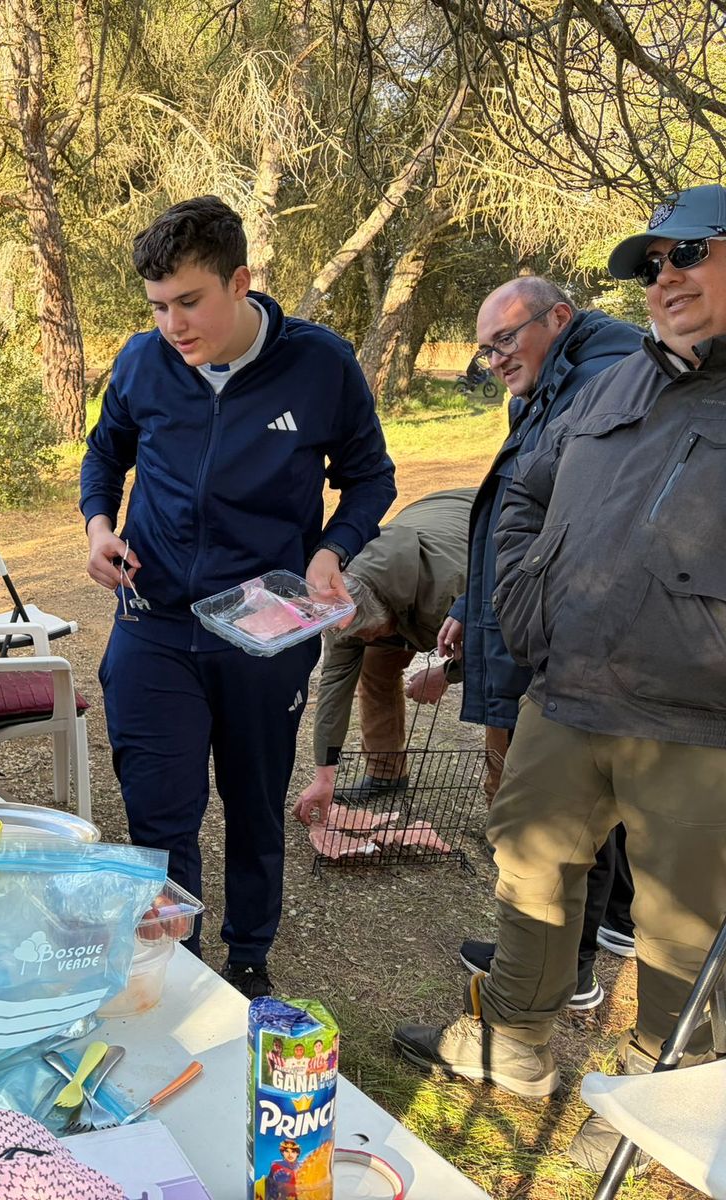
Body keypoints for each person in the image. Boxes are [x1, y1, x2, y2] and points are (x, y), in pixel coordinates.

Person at [393, 185, 726, 1171]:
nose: (663, 278)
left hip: (696, 717)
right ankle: (512, 1049)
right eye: (649, 264)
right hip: (567, 685)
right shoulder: (621, 379)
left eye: (688, 255)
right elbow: (528, 484)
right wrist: (530, 593)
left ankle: (656, 1109)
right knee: (528, 873)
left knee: (677, 928)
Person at [80, 196, 396, 999]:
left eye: (189, 302)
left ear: (240, 281)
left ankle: (248, 958)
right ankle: (175, 965)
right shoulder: (143, 362)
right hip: (153, 625)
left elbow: (370, 478)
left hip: (266, 630)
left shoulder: (320, 365)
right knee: (159, 811)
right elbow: (105, 454)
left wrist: (333, 552)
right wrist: (96, 526)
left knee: (254, 805)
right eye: (157, 307)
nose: (173, 326)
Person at [441, 279, 644, 1011]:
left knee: (566, 811)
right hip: (533, 614)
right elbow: (510, 509)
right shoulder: (545, 386)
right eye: (484, 347)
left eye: (505, 340)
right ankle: (611, 928)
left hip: (575, 631)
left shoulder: (604, 384)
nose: (493, 359)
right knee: (584, 802)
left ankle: (574, 965)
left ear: (559, 318)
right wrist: (470, 604)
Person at [290, 488, 472, 825]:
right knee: (374, 664)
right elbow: (334, 687)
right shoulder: (345, 606)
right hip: (423, 524)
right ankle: (387, 774)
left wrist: (448, 673)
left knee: (502, 696)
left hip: (475, 524)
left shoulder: (450, 590)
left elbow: (500, 644)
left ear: (387, 614)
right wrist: (324, 773)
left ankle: (507, 809)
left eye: (369, 634)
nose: (363, 640)